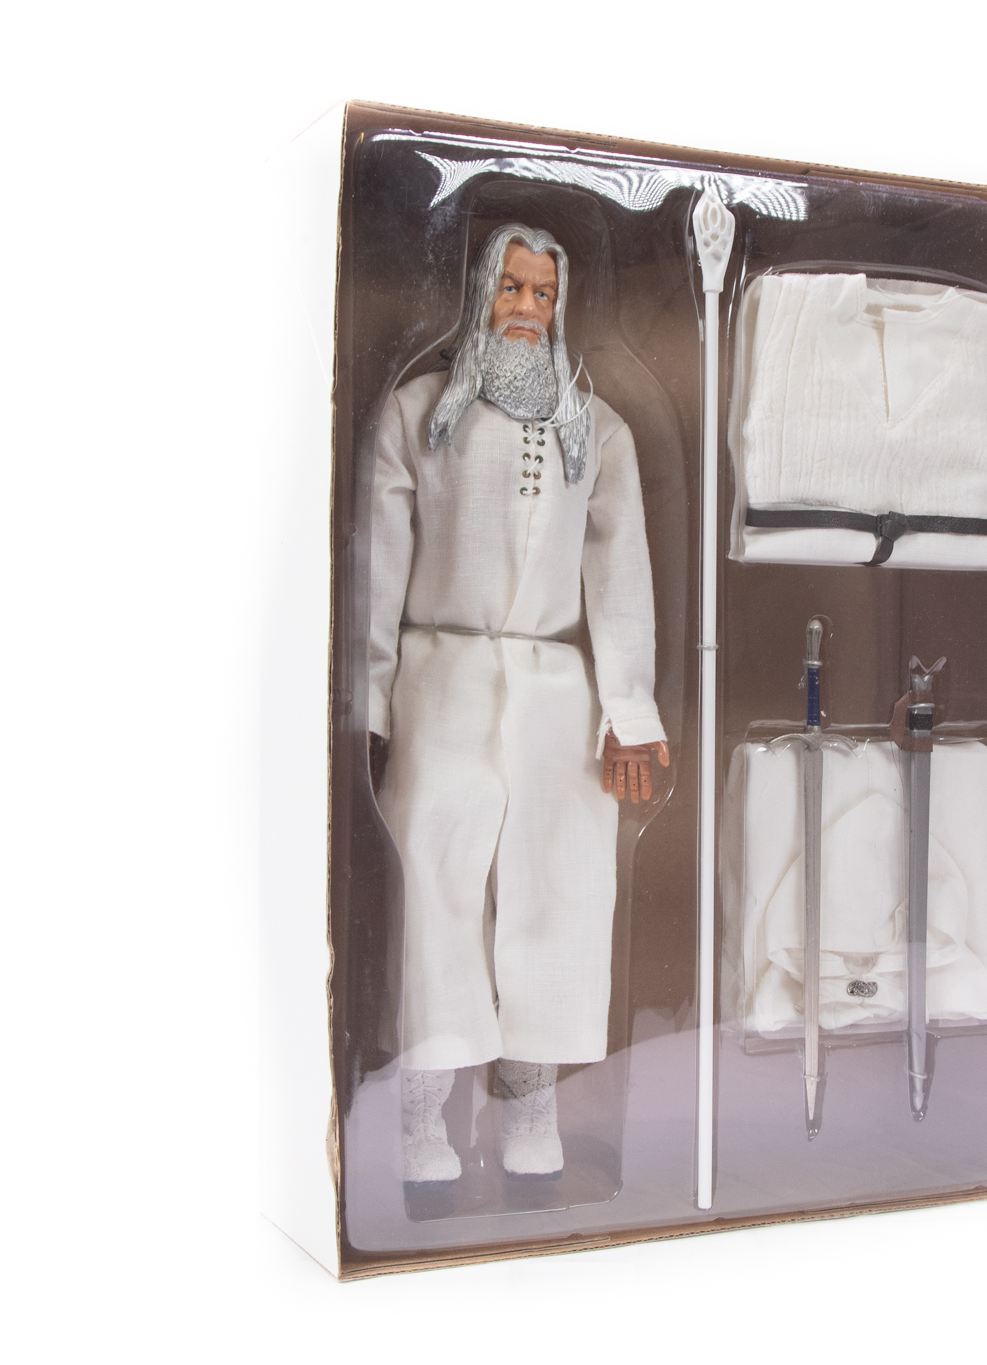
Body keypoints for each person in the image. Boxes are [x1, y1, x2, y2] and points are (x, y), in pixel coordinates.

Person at [367, 222, 668, 1183]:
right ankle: (422, 1104)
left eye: (544, 292)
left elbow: (621, 577)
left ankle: (529, 1092)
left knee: (558, 879)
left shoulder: (598, 431)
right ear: (479, 294)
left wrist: (628, 710)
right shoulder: (419, 416)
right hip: (440, 676)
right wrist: (368, 708)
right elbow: (379, 568)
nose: (528, 309)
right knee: (433, 877)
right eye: (512, 288)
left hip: (552, 688)